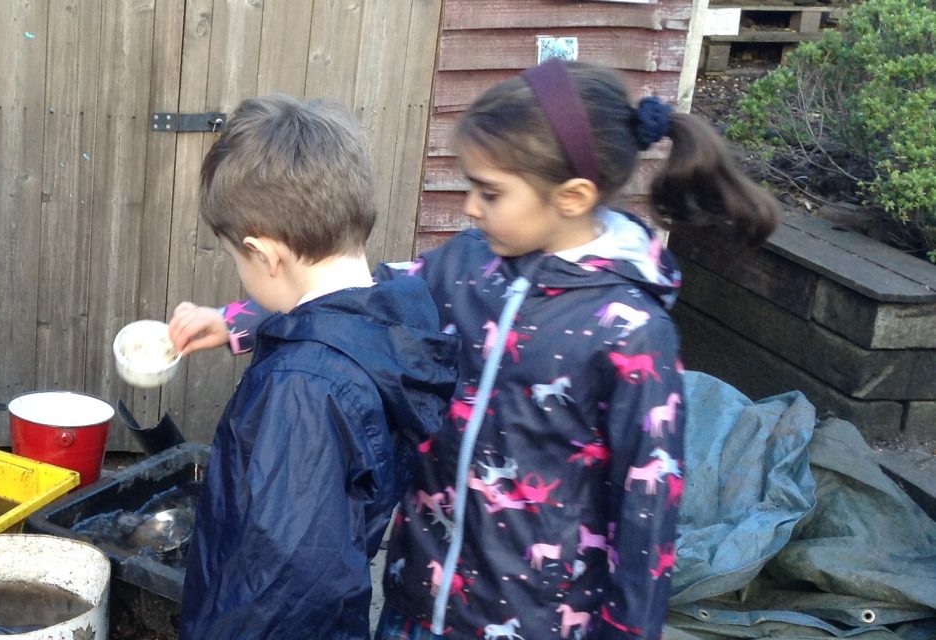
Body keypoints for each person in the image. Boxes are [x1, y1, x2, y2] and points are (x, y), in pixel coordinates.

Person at [171, 60, 780, 639]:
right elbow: (358, 296)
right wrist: (238, 320)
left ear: (570, 196)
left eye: (489, 193)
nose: (469, 207)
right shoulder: (468, 265)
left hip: (535, 619)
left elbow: (648, 508)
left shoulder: (629, 331)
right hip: (417, 592)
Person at [175, 95, 459, 640]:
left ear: (264, 254)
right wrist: (235, 320)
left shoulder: (303, 389)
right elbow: (330, 312)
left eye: (238, 259)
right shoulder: (393, 314)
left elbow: (282, 586)